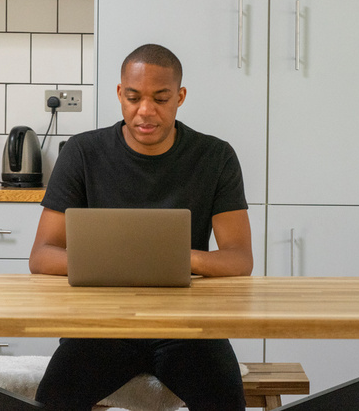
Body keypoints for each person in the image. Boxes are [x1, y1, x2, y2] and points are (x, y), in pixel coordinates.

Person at [29, 43, 253, 411]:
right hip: (100, 328)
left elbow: (239, 260)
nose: (145, 111)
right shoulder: (83, 153)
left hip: (189, 329)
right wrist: (136, 263)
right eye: (133, 97)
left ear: (180, 97)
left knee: (226, 404)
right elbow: (41, 256)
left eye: (161, 98)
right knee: (53, 401)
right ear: (120, 94)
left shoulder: (215, 156)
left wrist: (173, 259)